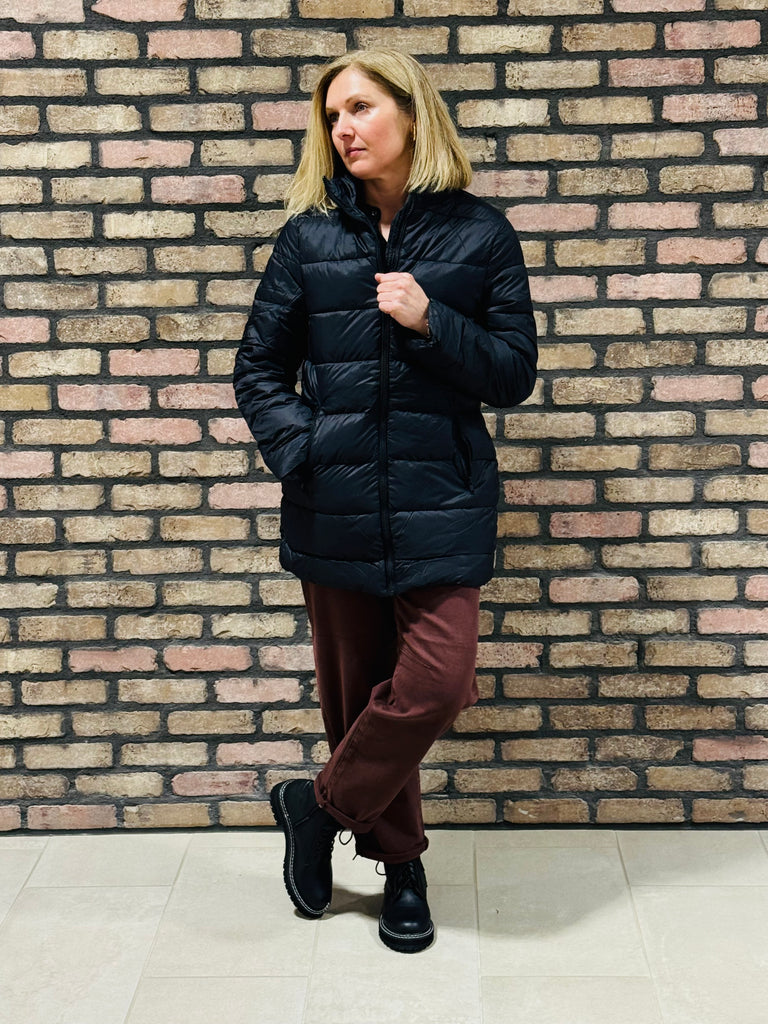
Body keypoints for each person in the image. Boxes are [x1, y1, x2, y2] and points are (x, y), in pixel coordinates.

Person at [232, 47, 537, 954]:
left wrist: (430, 320)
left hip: (443, 497)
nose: (344, 129)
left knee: (436, 682)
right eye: (332, 116)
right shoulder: (309, 239)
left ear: (412, 112)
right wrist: (306, 449)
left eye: (361, 108)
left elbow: (513, 374)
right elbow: (258, 369)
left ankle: (316, 806)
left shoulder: (481, 235)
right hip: (334, 503)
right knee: (355, 692)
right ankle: (402, 868)